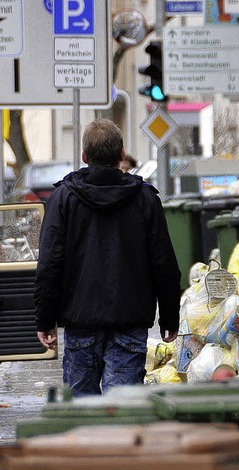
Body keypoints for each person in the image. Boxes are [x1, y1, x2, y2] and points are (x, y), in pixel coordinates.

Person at [34, 119, 181, 397]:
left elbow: (50, 265)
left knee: (82, 411)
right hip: (129, 321)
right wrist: (170, 319)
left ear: (84, 156)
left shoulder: (64, 198)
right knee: (122, 409)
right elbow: (163, 264)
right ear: (122, 154)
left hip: (80, 322)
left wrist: (45, 320)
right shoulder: (145, 199)